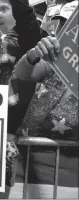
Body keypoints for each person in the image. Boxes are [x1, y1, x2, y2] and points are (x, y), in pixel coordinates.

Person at [13, 35, 78, 198]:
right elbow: (22, 73)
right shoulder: (65, 55)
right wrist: (34, 54)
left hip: (65, 174)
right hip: (24, 160)